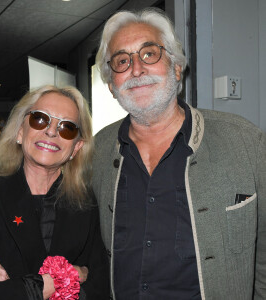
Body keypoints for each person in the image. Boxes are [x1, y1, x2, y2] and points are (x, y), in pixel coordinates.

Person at [92, 7, 266, 300]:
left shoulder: (246, 143)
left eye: (149, 54)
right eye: (122, 61)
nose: (136, 69)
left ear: (175, 67)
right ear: (111, 85)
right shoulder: (96, 153)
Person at [0, 85, 109, 299]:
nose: (51, 131)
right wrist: (64, 278)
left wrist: (11, 286)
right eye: (40, 119)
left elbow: (99, 289)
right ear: (21, 132)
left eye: (67, 128)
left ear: (76, 148)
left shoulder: (85, 204)